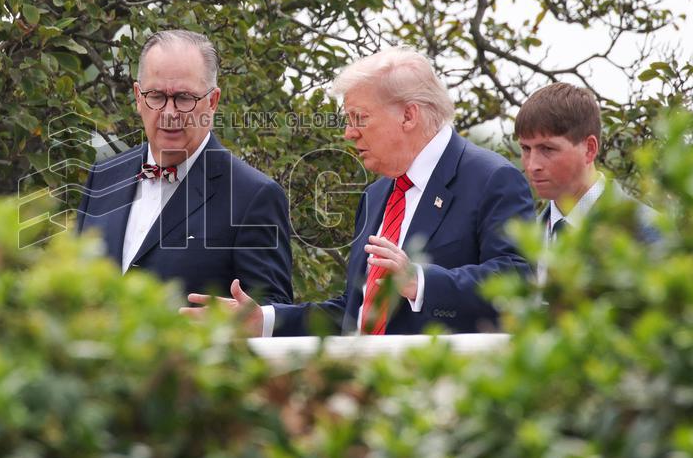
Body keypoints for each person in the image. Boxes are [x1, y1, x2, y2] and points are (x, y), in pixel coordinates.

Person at [183, 47, 534, 335]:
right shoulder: (377, 195)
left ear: (408, 116)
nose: (349, 133)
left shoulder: (491, 178)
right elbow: (355, 312)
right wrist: (266, 321)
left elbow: (519, 279)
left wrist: (421, 282)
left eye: (359, 118)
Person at [76, 30, 293, 304]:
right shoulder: (104, 177)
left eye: (184, 98)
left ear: (212, 102)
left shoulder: (253, 196)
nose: (169, 113)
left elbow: (272, 312)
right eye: (156, 96)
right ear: (138, 97)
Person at [514, 82, 658, 251]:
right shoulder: (524, 242)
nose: (532, 165)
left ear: (589, 149)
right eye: (526, 149)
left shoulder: (645, 231)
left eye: (547, 149)